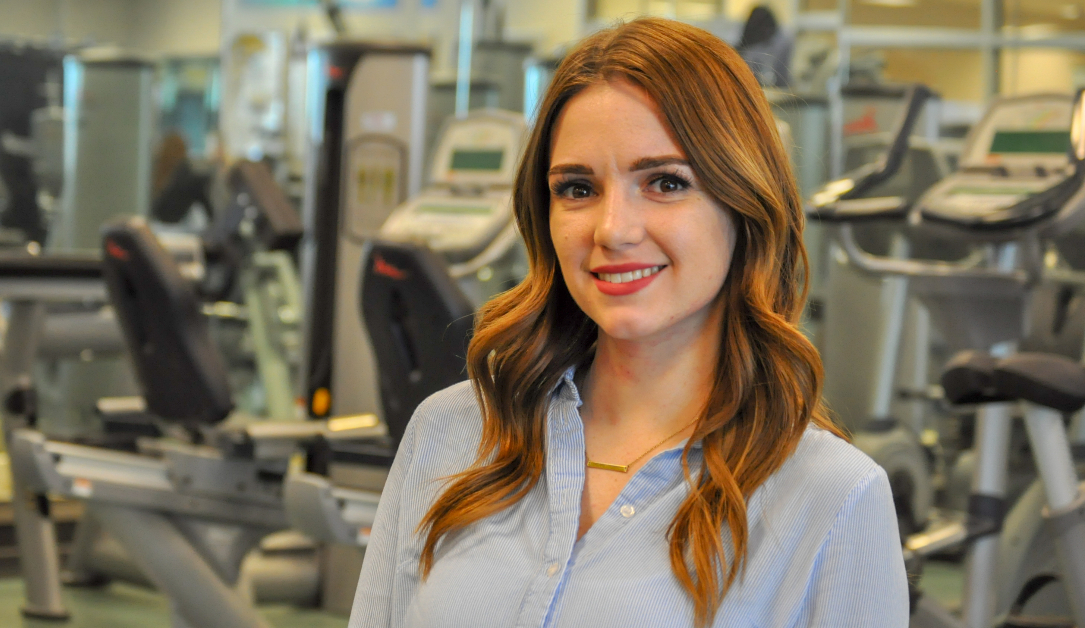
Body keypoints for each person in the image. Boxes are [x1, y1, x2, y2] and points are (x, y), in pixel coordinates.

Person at [349, 17, 908, 628]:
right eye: (578, 189)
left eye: (665, 182)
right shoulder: (451, 431)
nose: (613, 229)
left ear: (744, 202)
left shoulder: (830, 497)